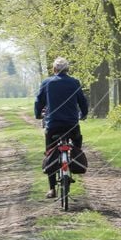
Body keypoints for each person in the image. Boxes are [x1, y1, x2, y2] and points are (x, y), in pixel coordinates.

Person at [34, 57, 89, 199]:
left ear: (54, 70)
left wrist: (38, 114)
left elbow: (39, 101)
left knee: (50, 153)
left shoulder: (47, 83)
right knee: (76, 144)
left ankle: (52, 189)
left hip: (53, 125)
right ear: (68, 70)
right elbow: (82, 101)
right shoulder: (74, 82)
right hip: (71, 124)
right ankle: (73, 162)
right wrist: (83, 114)